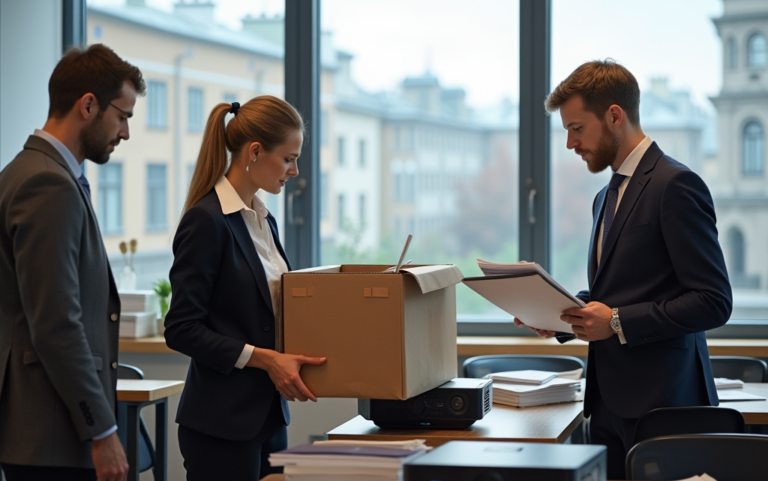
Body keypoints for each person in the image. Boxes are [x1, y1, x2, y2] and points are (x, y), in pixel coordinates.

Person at [517, 60, 732, 479]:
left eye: (576, 128)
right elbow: (618, 290)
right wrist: (557, 315)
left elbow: (713, 301)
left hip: (665, 408)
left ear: (614, 116)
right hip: (605, 405)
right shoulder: (604, 197)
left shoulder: (676, 185)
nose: (569, 143)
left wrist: (615, 321)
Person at [0, 44, 145, 481]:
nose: (125, 133)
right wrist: (101, 430)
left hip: (49, 432)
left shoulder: (34, 172)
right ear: (88, 105)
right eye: (123, 116)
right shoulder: (46, 183)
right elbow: (57, 322)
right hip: (53, 433)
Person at [164, 96, 326, 481]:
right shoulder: (206, 222)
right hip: (221, 425)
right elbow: (181, 329)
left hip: (268, 418)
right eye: (288, 158)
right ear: (255, 151)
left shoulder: (263, 221)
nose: (294, 170)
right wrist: (267, 360)